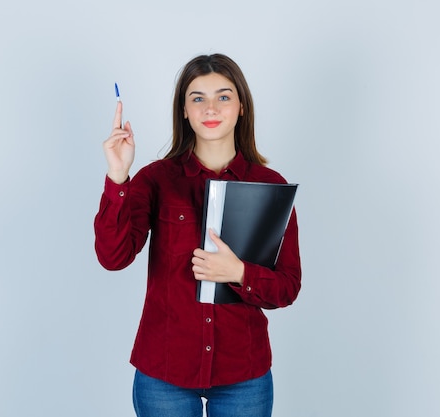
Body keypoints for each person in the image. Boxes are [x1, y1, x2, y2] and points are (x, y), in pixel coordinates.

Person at [94, 53, 301, 417]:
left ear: (241, 108)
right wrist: (117, 177)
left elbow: (287, 287)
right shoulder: (155, 179)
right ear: (185, 111)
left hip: (244, 375)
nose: (211, 108)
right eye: (197, 98)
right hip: (164, 373)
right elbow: (114, 257)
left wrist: (238, 273)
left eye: (223, 96)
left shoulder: (271, 186)